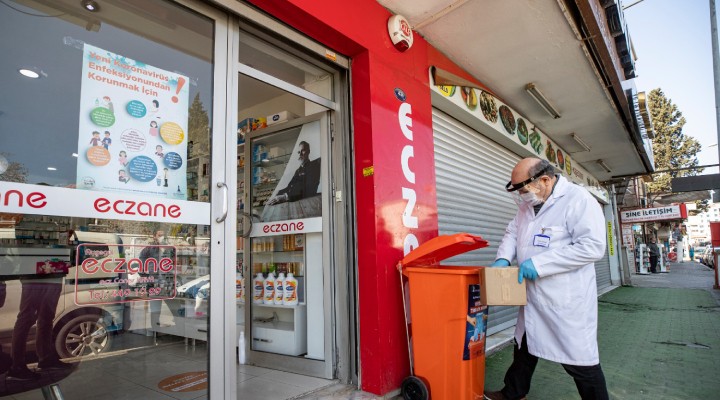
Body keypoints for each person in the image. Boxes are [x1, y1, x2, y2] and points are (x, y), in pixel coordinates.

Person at [484, 158, 609, 400]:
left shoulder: (578, 199)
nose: (522, 196)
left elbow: (592, 247)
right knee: (524, 346)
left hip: (564, 300)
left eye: (523, 189)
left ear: (545, 179)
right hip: (532, 296)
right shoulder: (529, 205)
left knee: (580, 362)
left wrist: (539, 264)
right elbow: (512, 231)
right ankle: (513, 393)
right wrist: (504, 258)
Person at [266, 141, 321, 205]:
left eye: (302, 151)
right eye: (298, 152)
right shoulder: (298, 170)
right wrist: (277, 193)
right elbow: (289, 187)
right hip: (296, 201)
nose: (300, 154)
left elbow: (306, 190)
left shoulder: (313, 167)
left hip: (307, 203)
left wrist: (284, 197)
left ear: (308, 151)